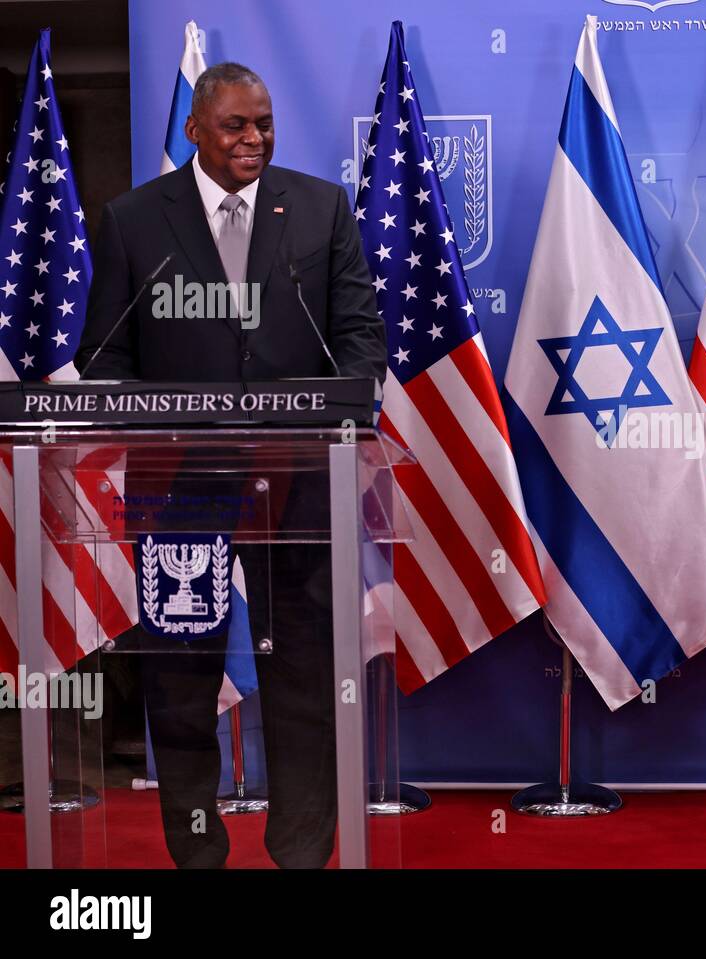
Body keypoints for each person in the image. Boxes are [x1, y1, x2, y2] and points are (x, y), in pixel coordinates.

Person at [77, 63, 386, 868]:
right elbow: (103, 360)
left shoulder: (319, 207)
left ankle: (301, 851)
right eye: (236, 126)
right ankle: (198, 850)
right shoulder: (136, 219)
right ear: (195, 129)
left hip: (300, 480)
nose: (255, 139)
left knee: (303, 671)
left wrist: (343, 405)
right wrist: (161, 423)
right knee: (181, 674)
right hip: (180, 485)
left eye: (265, 124)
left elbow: (358, 335)